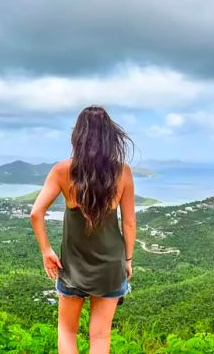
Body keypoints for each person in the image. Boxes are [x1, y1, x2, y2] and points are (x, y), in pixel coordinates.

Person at [30, 105, 137, 354]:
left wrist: (46, 251)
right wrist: (128, 259)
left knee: (67, 332)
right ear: (110, 137)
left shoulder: (62, 171)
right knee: (100, 337)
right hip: (111, 266)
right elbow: (129, 222)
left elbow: (36, 213)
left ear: (77, 136)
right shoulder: (123, 172)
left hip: (72, 267)